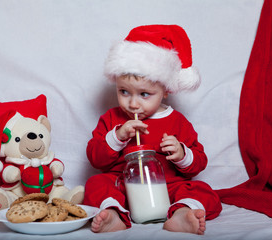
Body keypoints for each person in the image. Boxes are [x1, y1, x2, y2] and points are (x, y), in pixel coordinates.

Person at [83, 24, 222, 235]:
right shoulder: (112, 118)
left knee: (204, 191)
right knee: (95, 183)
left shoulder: (177, 121)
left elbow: (199, 163)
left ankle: (182, 213)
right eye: (124, 92)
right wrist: (117, 137)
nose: (133, 104)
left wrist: (182, 153)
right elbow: (96, 158)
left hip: (169, 186)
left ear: (165, 90)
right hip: (122, 186)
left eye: (144, 94)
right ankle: (113, 213)